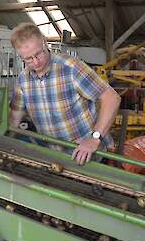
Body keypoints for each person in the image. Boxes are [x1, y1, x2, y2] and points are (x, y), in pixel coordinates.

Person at [9, 23, 121, 165]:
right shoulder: (23, 80)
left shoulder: (70, 68)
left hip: (90, 157)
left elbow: (111, 98)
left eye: (39, 53)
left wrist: (95, 138)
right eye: (28, 59)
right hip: (56, 160)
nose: (36, 62)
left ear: (44, 41)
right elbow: (14, 120)